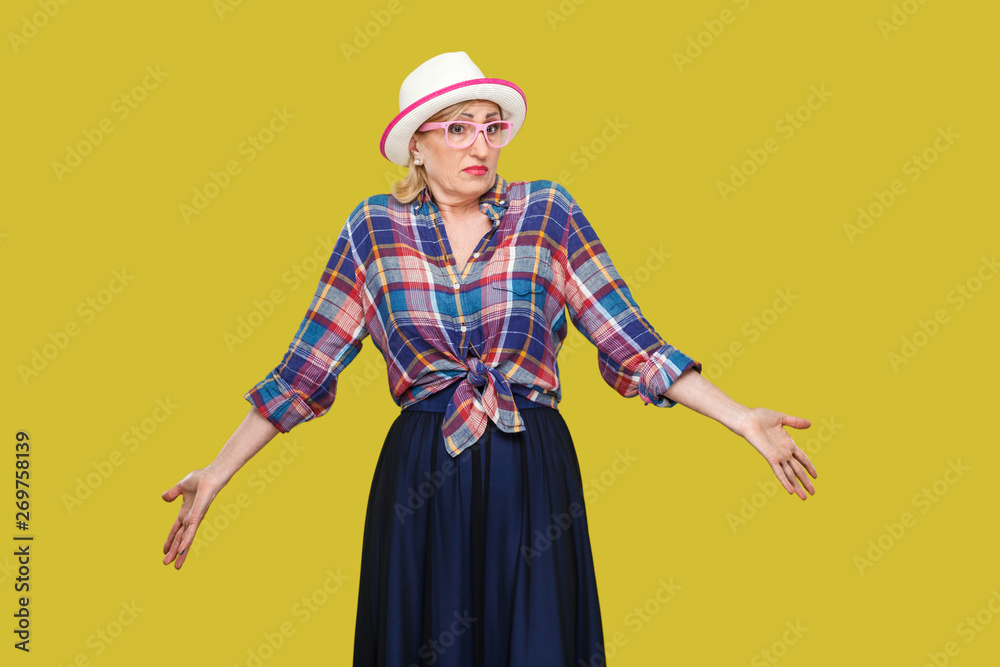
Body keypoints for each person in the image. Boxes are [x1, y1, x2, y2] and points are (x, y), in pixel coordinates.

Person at [161, 51, 818, 666]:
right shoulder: (372, 230)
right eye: (457, 129)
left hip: (530, 469)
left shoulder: (547, 213)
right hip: (424, 473)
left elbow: (633, 342)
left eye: (491, 127)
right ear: (416, 144)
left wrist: (740, 419)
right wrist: (217, 472)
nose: (480, 144)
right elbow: (302, 372)